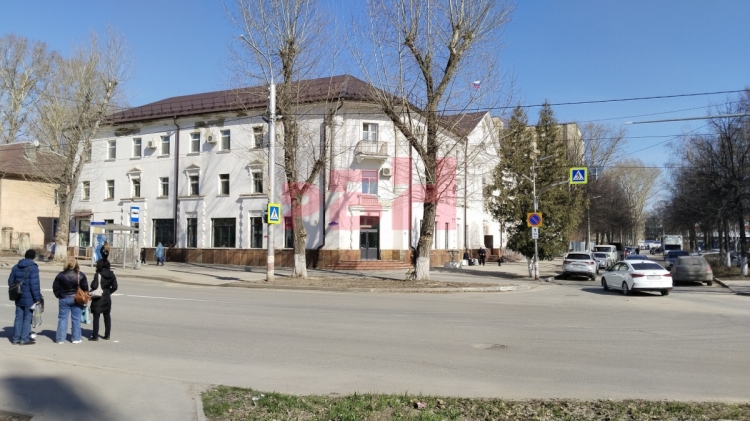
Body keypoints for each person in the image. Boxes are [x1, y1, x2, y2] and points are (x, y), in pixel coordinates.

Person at [8, 250, 42, 345]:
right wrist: (37, 299)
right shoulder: (33, 268)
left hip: (18, 296)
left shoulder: (16, 266)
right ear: (33, 257)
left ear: (25, 255)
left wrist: (18, 287)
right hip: (29, 297)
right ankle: (24, 339)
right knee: (27, 318)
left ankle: (15, 339)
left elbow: (10, 282)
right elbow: (34, 285)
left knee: (18, 317)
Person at [53, 258, 89, 344]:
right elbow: (85, 288)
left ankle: (60, 339)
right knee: (76, 319)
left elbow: (55, 287)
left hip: (63, 298)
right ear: (76, 264)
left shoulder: (60, 275)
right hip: (77, 299)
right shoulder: (81, 275)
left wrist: (59, 295)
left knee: (62, 318)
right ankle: (76, 338)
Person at [89, 259, 118, 341]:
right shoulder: (112, 274)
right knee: (107, 315)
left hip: (98, 297)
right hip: (107, 296)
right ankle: (107, 335)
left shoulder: (98, 274)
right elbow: (115, 287)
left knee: (96, 316)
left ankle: (95, 336)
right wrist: (108, 292)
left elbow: (94, 286)